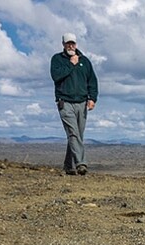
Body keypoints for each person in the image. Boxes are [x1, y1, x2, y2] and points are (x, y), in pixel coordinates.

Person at [50, 33, 98, 176]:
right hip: (65, 102)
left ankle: (68, 166)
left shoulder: (85, 61)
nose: (71, 46)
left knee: (77, 135)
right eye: (68, 43)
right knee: (73, 133)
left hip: (82, 103)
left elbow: (92, 81)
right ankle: (81, 164)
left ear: (76, 44)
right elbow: (56, 76)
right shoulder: (57, 59)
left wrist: (92, 98)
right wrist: (71, 64)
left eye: (73, 43)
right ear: (63, 44)